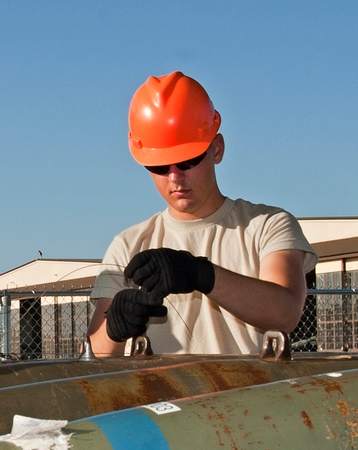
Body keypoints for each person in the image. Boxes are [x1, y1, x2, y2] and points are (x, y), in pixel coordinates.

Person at [87, 71, 317, 356]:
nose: (175, 177)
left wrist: (201, 274)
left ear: (217, 149)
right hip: (160, 400)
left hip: (248, 398)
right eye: (159, 167)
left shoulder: (267, 226)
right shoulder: (127, 245)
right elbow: (94, 357)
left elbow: (285, 313)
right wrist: (114, 329)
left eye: (187, 161)